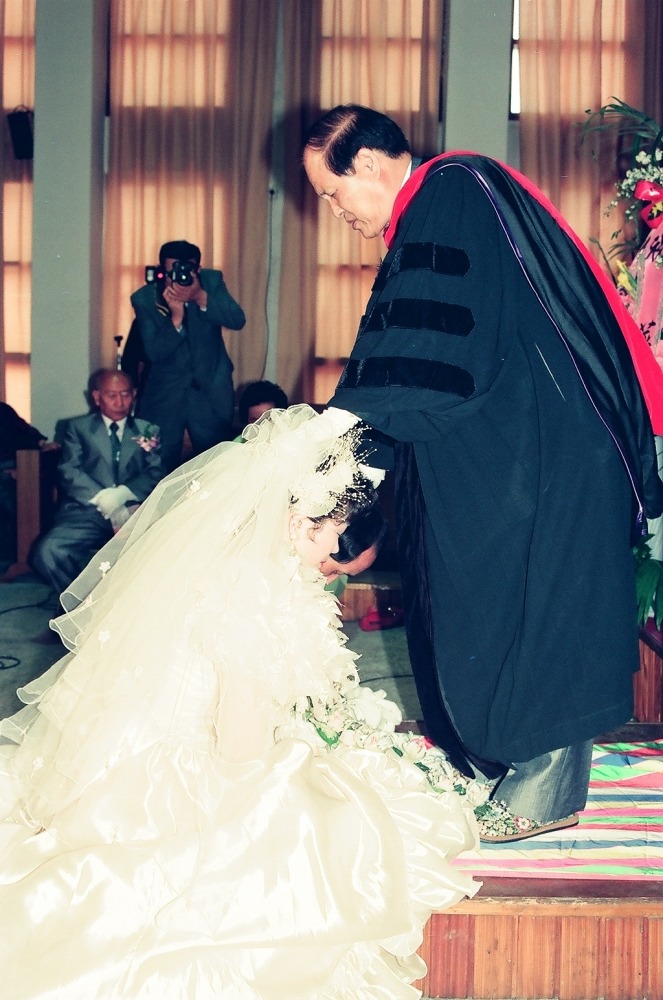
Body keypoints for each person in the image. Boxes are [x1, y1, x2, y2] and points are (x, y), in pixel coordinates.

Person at [0, 404, 483, 999]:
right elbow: (239, 753)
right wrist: (304, 754)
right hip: (178, 772)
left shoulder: (223, 562)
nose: (330, 564)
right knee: (342, 837)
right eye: (331, 544)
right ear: (301, 523)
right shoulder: (251, 596)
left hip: (123, 743)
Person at [303, 104, 663, 842]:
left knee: (540, 605)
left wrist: (347, 448)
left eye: (333, 193)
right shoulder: (452, 199)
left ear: (367, 164)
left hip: (548, 455)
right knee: (515, 601)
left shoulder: (451, 190)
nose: (334, 211)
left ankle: (546, 790)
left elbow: (419, 356)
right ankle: (524, 769)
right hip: (526, 445)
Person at [30, 369, 162, 600]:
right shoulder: (77, 428)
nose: (120, 402)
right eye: (112, 395)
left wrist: (122, 495)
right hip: (87, 511)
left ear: (134, 394)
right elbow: (69, 470)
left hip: (134, 511)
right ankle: (80, 601)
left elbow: (155, 471)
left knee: (163, 548)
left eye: (125, 394)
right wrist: (106, 500)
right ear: (97, 397)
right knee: (49, 551)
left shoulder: (147, 429)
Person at [129, 239, 246, 473]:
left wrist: (200, 296)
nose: (178, 276)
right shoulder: (145, 298)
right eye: (171, 270)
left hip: (211, 391)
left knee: (216, 466)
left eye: (186, 269)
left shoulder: (211, 281)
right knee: (156, 465)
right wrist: (176, 318)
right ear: (161, 269)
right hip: (164, 394)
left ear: (198, 269)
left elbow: (237, 319)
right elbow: (154, 352)